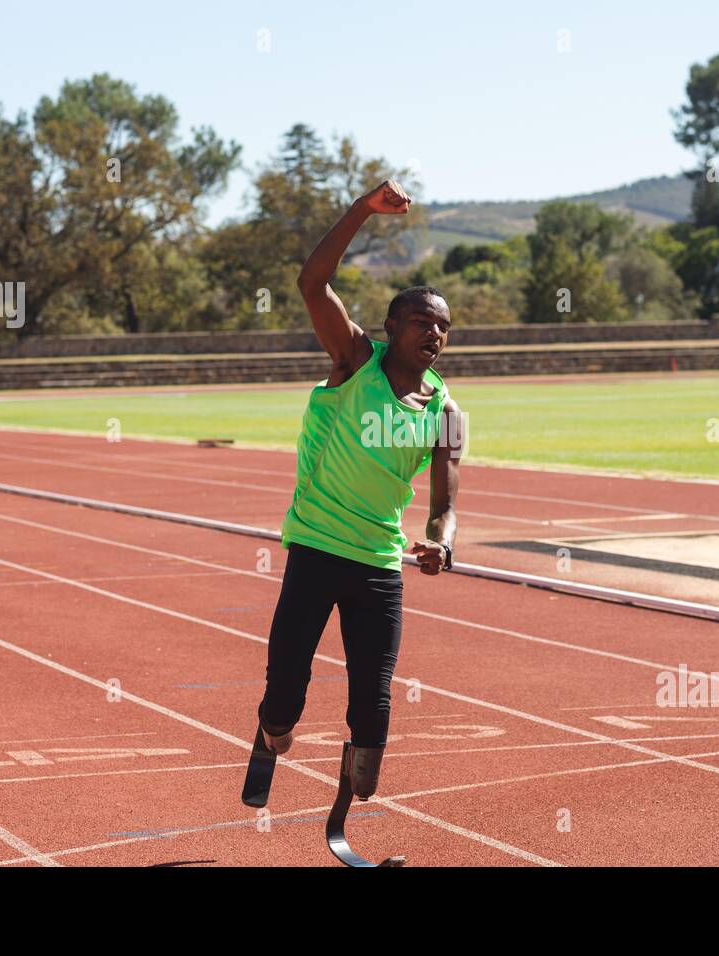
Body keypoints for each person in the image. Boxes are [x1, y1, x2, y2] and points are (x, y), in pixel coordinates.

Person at [253, 179, 464, 803]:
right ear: (391, 327)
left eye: (444, 327)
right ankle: (271, 728)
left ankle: (345, 807)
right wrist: (361, 211)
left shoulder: (447, 409)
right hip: (317, 549)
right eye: (422, 322)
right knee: (285, 694)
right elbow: (312, 285)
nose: (434, 334)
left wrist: (439, 544)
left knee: (373, 701)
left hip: (378, 561)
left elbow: (446, 503)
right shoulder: (354, 360)